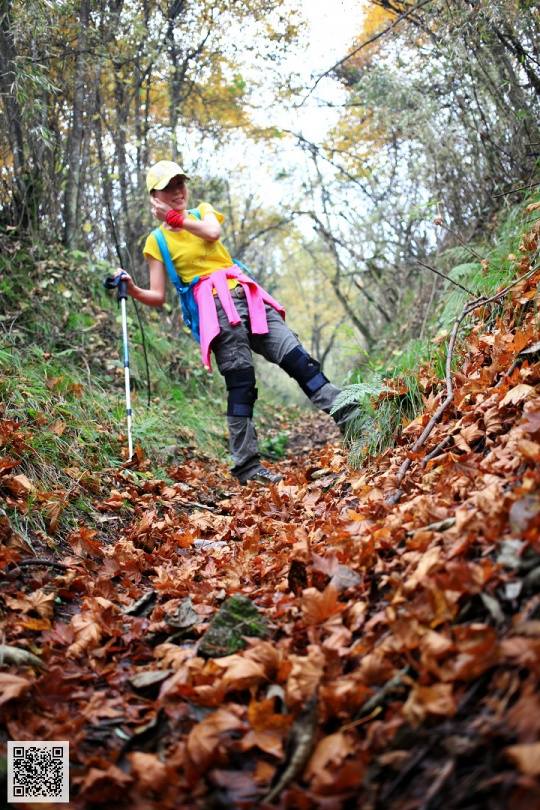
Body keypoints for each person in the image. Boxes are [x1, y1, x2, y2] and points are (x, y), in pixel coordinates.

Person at [118, 160, 354, 485]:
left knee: (298, 359)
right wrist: (132, 288)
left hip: (248, 295)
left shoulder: (202, 212)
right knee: (241, 385)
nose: (178, 191)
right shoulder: (156, 242)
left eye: (180, 183)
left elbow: (213, 233)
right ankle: (248, 468)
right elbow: (157, 295)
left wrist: (176, 218)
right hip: (214, 309)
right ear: (154, 196)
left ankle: (349, 415)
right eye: (168, 187)